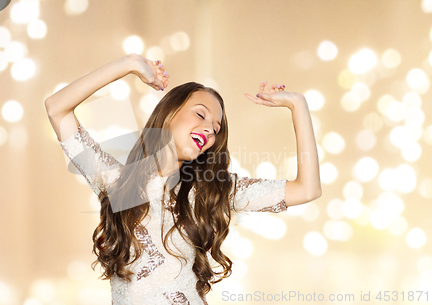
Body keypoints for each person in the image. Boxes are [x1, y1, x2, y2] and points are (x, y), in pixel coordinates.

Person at [44, 53, 321, 305]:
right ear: (170, 113)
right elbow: (57, 107)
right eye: (201, 114)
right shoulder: (116, 182)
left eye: (216, 128)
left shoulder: (210, 191)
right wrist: (128, 64)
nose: (210, 130)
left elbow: (307, 189)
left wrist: (298, 105)